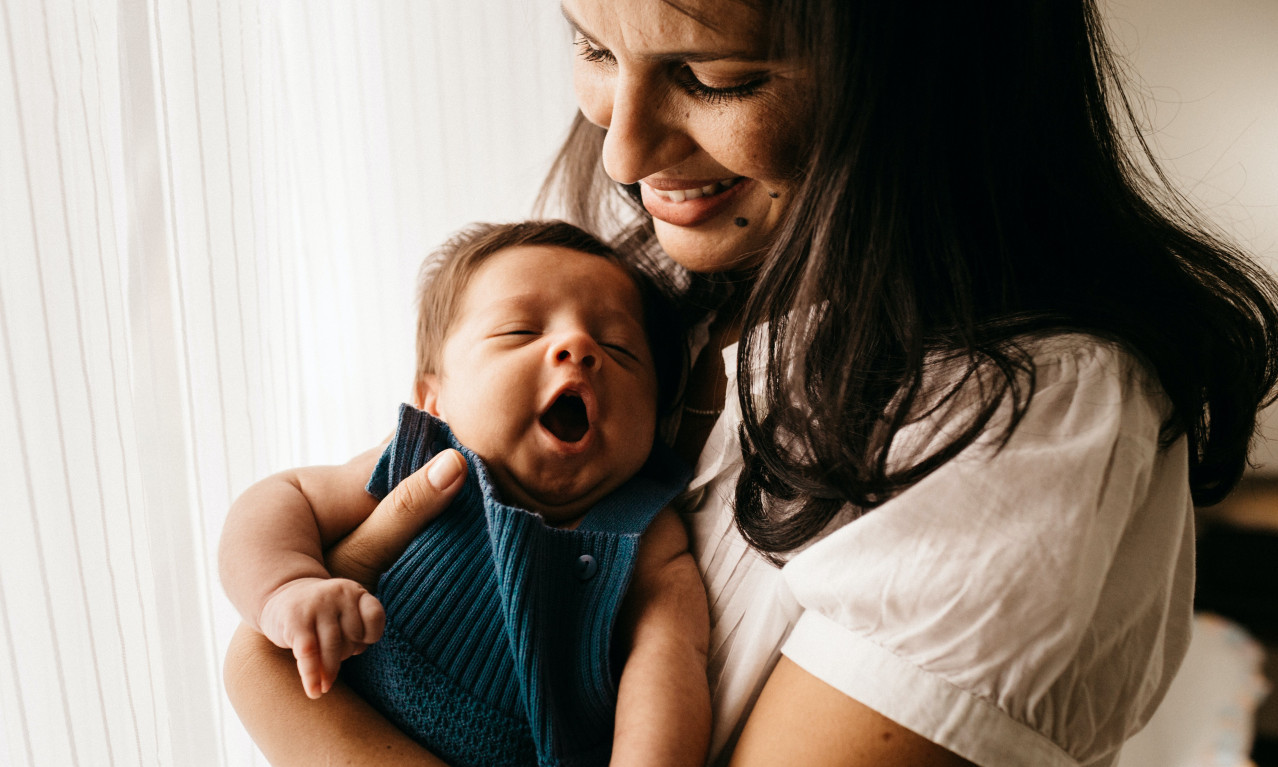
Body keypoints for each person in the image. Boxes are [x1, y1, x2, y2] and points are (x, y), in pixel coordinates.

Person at [223, 1, 1278, 765]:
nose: (623, 152)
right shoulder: (664, 288)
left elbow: (289, 677)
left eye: (716, 76)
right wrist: (283, 604)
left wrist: (277, 687)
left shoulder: (1024, 420)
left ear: (924, 81)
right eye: (592, 44)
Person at [218, 221, 710, 767]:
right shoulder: (420, 461)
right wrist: (288, 586)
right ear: (434, 399)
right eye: (520, 331)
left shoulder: (645, 532)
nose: (578, 346)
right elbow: (283, 498)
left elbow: (669, 662)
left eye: (620, 348)